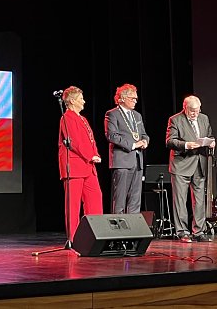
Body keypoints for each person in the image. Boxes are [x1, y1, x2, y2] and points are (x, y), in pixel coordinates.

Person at [166, 95, 215, 243]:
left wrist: (211, 142)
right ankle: (182, 232)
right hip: (182, 164)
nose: (195, 113)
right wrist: (186, 145)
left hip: (200, 164)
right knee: (180, 200)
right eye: (192, 110)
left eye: (197, 110)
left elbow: (209, 134)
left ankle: (199, 231)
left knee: (199, 200)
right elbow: (169, 141)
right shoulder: (175, 119)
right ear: (185, 108)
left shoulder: (204, 118)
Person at [58, 86, 103, 243]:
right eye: (81, 98)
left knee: (95, 198)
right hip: (75, 167)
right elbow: (74, 141)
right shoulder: (66, 118)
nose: (84, 101)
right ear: (71, 101)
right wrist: (90, 155)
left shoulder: (83, 119)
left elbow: (91, 140)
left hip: (88, 166)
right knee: (73, 204)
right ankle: (74, 238)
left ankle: (96, 234)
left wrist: (95, 153)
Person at [104, 84, 149, 214]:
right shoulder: (112, 114)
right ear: (122, 98)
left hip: (137, 160)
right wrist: (133, 145)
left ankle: (133, 227)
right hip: (122, 160)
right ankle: (119, 229)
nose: (135, 101)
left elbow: (144, 134)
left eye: (136, 98)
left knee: (135, 197)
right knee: (120, 197)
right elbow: (111, 135)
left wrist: (145, 141)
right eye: (132, 98)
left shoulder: (137, 116)